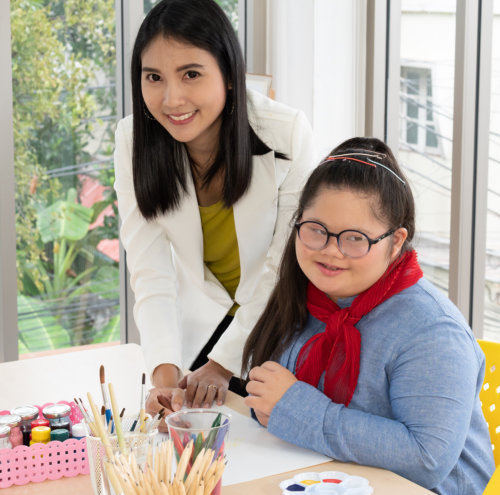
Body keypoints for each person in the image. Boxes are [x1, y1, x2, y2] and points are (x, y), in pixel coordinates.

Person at [242, 137, 495, 495]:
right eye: (316, 230)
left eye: (355, 238)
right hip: (322, 478)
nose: (331, 251)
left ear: (395, 242)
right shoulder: (308, 295)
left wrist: (297, 411)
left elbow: (426, 460)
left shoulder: (433, 332)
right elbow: (273, 399)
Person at [113, 0, 316, 425]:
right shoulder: (134, 141)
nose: (172, 98)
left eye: (191, 74)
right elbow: (150, 269)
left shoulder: (286, 133)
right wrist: (164, 376)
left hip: (281, 325)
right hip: (203, 329)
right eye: (154, 77)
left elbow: (283, 267)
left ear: (228, 73)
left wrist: (224, 363)